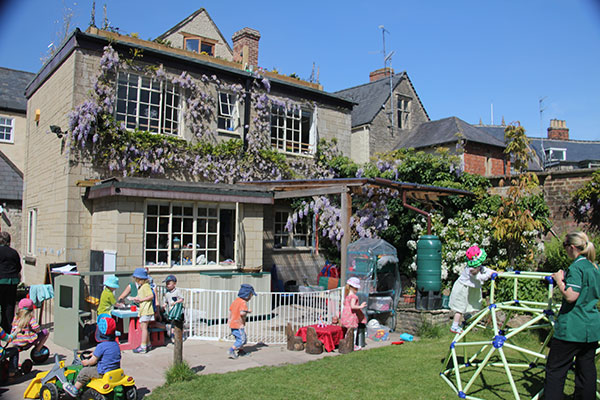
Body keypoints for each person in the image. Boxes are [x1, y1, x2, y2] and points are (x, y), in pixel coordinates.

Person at [544, 231, 600, 400]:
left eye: (565, 246)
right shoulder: (594, 267)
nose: (565, 250)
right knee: (586, 370)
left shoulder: (576, 267)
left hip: (572, 328)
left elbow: (571, 295)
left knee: (556, 369)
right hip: (590, 327)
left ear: (572, 247)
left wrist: (559, 279)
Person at [63, 316, 121, 397]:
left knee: (85, 372)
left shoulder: (101, 346)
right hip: (115, 370)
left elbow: (93, 361)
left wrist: (86, 362)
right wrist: (94, 353)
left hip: (102, 372)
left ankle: (75, 389)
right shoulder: (115, 344)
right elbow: (107, 353)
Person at [448, 245, 495, 334]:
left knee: (469, 301)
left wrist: (493, 272)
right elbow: (481, 277)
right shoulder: (471, 271)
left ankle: (467, 316)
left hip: (468, 289)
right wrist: (489, 275)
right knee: (460, 308)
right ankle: (454, 326)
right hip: (462, 289)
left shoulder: (478, 267)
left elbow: (485, 269)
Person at [0, 232, 21, 333]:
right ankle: (7, 328)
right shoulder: (14, 252)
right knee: (9, 305)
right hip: (12, 282)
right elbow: (18, 267)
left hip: (1, 281)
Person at [227, 284, 255, 359]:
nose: (251, 297)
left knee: (240, 337)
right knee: (242, 340)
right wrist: (248, 311)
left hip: (233, 323)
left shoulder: (236, 301)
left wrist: (229, 320)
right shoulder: (243, 303)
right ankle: (231, 350)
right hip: (238, 324)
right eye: (251, 295)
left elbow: (230, 311)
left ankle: (241, 351)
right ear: (247, 295)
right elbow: (242, 313)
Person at [131, 268, 154, 354]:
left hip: (146, 309)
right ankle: (148, 344)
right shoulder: (142, 287)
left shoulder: (146, 286)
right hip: (143, 309)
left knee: (144, 328)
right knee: (143, 327)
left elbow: (151, 296)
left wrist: (141, 300)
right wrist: (136, 299)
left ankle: (143, 346)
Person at [340, 277, 367, 351]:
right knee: (354, 331)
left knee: (348, 331)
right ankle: (353, 344)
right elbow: (353, 306)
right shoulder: (354, 297)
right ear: (354, 288)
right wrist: (360, 306)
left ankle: (346, 343)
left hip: (346, 315)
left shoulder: (347, 296)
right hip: (351, 316)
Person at [161, 275, 184, 339]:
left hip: (177, 310)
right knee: (172, 324)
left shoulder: (177, 291)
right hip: (170, 311)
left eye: (169, 283)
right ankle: (172, 335)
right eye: (166, 284)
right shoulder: (167, 293)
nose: (167, 285)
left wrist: (176, 302)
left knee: (178, 324)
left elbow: (182, 299)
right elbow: (166, 301)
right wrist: (164, 305)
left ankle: (180, 335)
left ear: (174, 284)